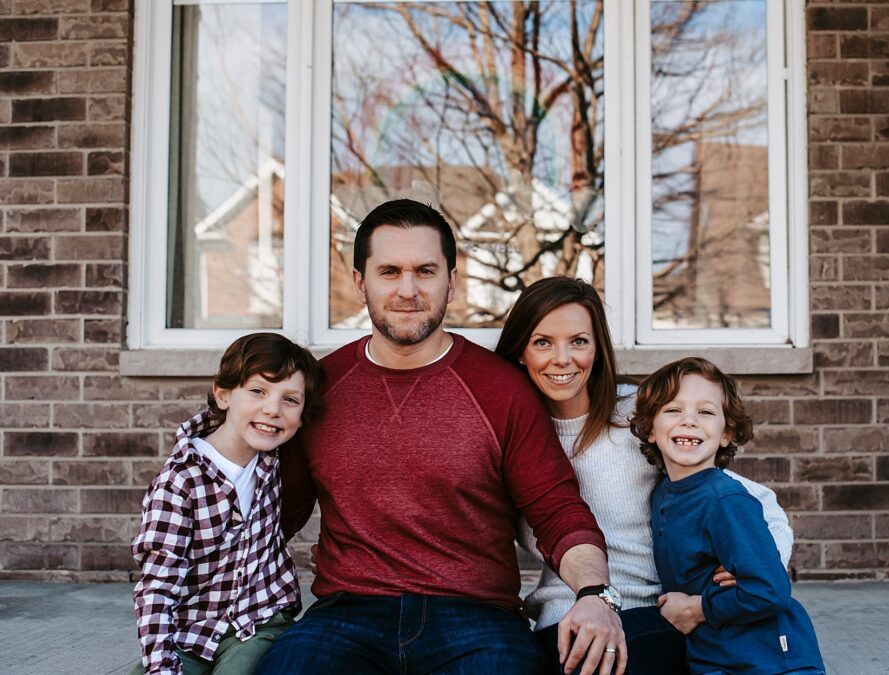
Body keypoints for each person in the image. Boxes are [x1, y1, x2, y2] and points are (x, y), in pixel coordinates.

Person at [256, 199, 626, 675]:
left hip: (476, 618)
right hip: (347, 614)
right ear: (359, 281)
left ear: (451, 281)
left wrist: (596, 595)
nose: (408, 290)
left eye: (425, 271)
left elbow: (558, 512)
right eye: (389, 271)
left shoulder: (501, 389)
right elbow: (270, 516)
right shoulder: (319, 388)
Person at [495, 277, 793, 674]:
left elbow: (750, 500)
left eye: (579, 341)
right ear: (520, 352)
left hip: (654, 609)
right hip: (564, 612)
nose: (562, 359)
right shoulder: (505, 438)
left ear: (599, 349)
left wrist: (760, 563)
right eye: (543, 342)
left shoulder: (638, 417)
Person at [130, 333, 324, 675]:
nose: (272, 409)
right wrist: (161, 666)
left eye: (290, 399)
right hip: (192, 630)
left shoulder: (279, 463)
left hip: (262, 620)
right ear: (223, 394)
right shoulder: (180, 482)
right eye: (258, 391)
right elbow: (157, 585)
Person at [630, 357, 824, 675]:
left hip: (772, 658)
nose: (689, 421)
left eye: (705, 412)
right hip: (713, 655)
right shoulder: (663, 492)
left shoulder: (726, 500)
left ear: (725, 434)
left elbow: (770, 590)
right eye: (673, 410)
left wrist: (699, 608)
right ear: (651, 429)